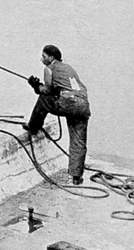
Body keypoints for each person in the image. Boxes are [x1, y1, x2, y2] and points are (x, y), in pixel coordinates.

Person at [23, 45, 91, 184]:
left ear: (51, 58)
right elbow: (68, 86)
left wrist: (36, 86)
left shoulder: (49, 68)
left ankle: (33, 127)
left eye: (44, 56)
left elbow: (47, 91)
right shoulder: (69, 68)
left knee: (44, 100)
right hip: (83, 105)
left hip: (68, 103)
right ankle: (76, 177)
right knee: (78, 140)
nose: (41, 59)